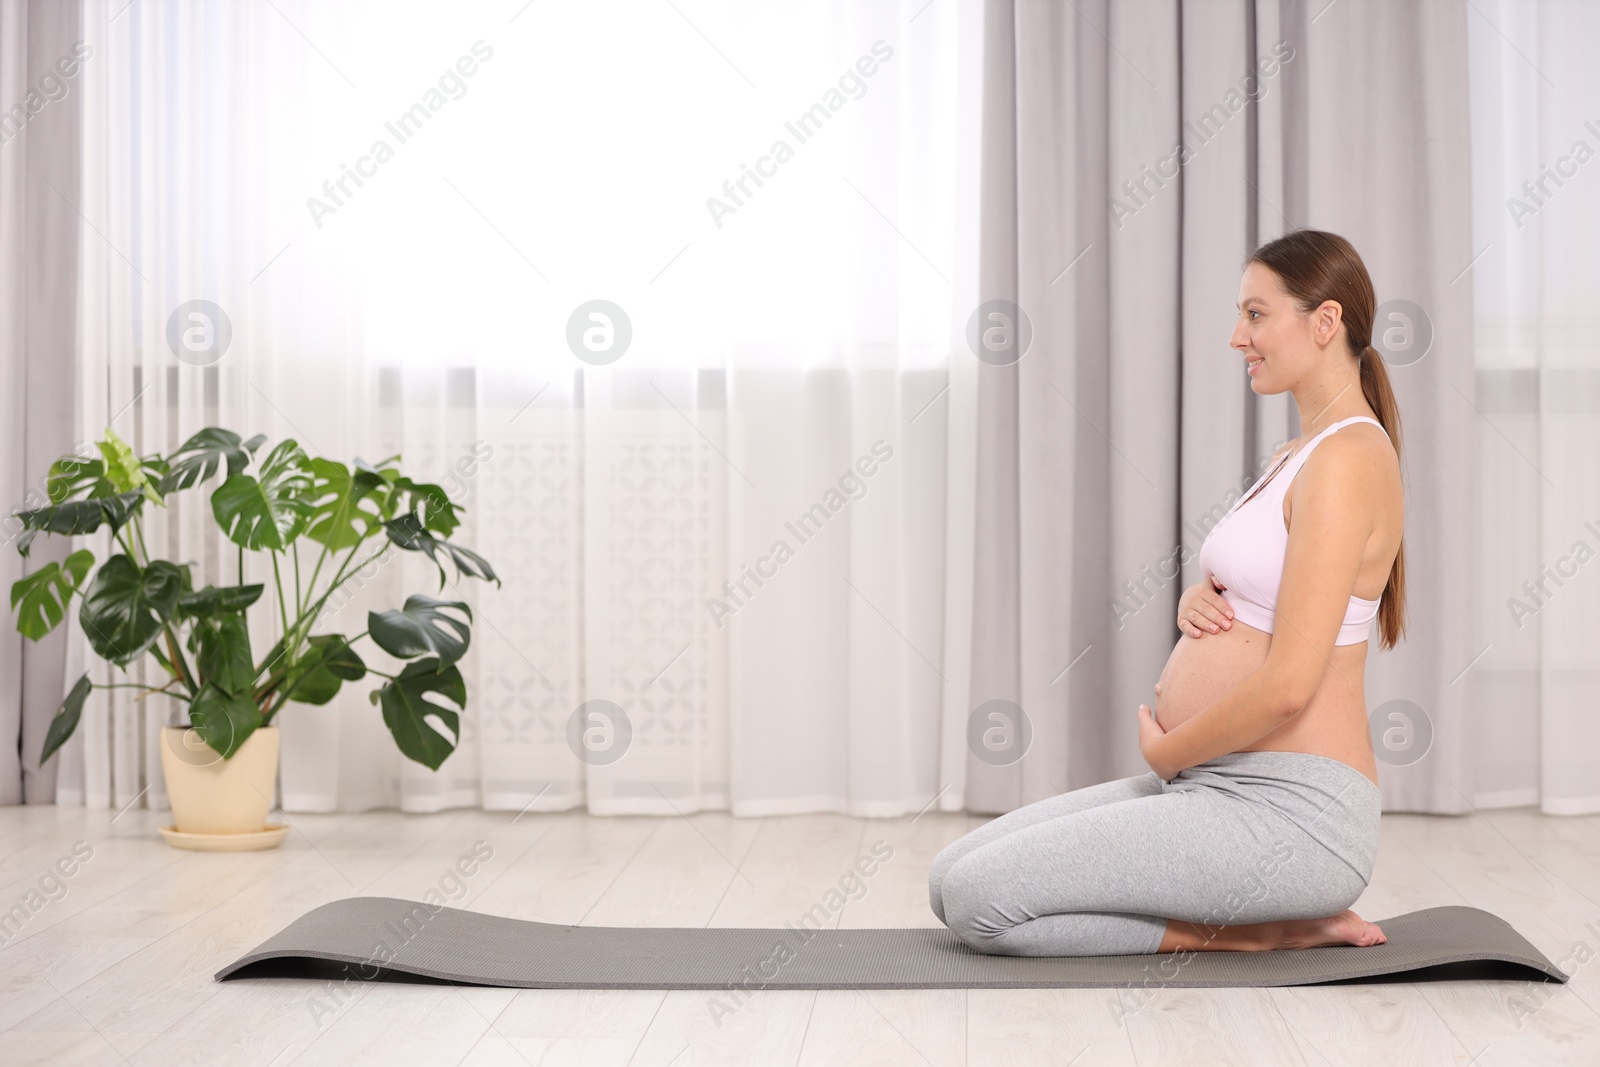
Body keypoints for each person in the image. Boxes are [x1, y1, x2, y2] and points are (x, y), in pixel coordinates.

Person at [930, 230, 1406, 956]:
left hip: (1293, 816)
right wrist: (1199, 601)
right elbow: (1264, 592)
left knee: (976, 903)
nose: (1235, 336)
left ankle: (1253, 934)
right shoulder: (1299, 455)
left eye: (1255, 314)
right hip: (1222, 786)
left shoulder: (1348, 460)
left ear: (1324, 321)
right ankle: (1253, 922)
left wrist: (1169, 752)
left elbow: (1288, 684)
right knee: (948, 875)